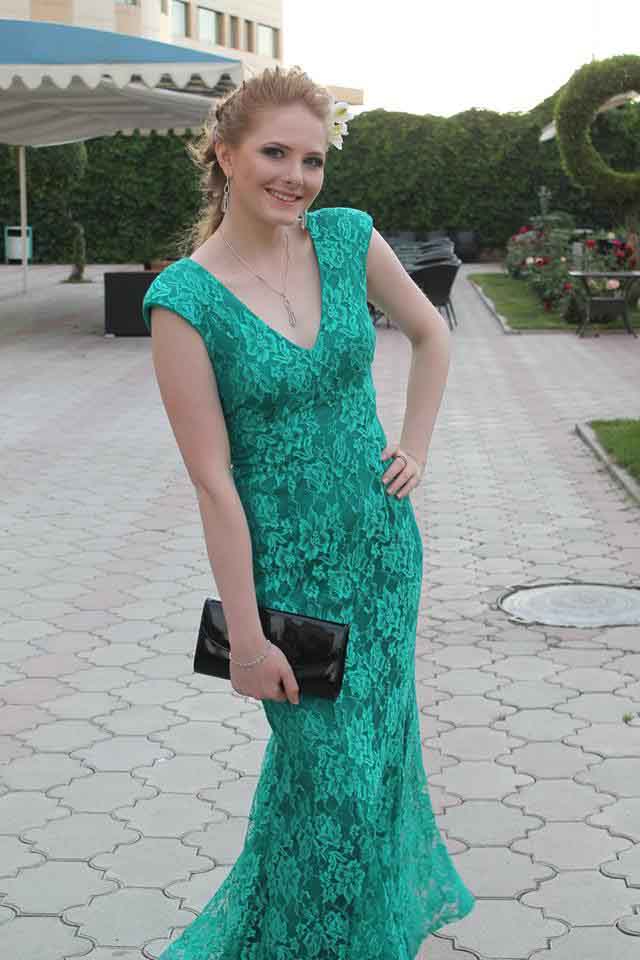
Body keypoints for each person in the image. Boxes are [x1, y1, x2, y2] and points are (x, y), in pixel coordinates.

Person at [142, 64, 474, 960]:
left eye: (313, 159)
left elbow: (433, 332)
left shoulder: (345, 238)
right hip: (288, 588)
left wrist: (415, 445)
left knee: (374, 775)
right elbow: (213, 484)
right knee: (336, 787)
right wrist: (247, 645)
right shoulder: (184, 301)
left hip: (382, 557)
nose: (296, 176)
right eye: (275, 153)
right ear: (226, 154)